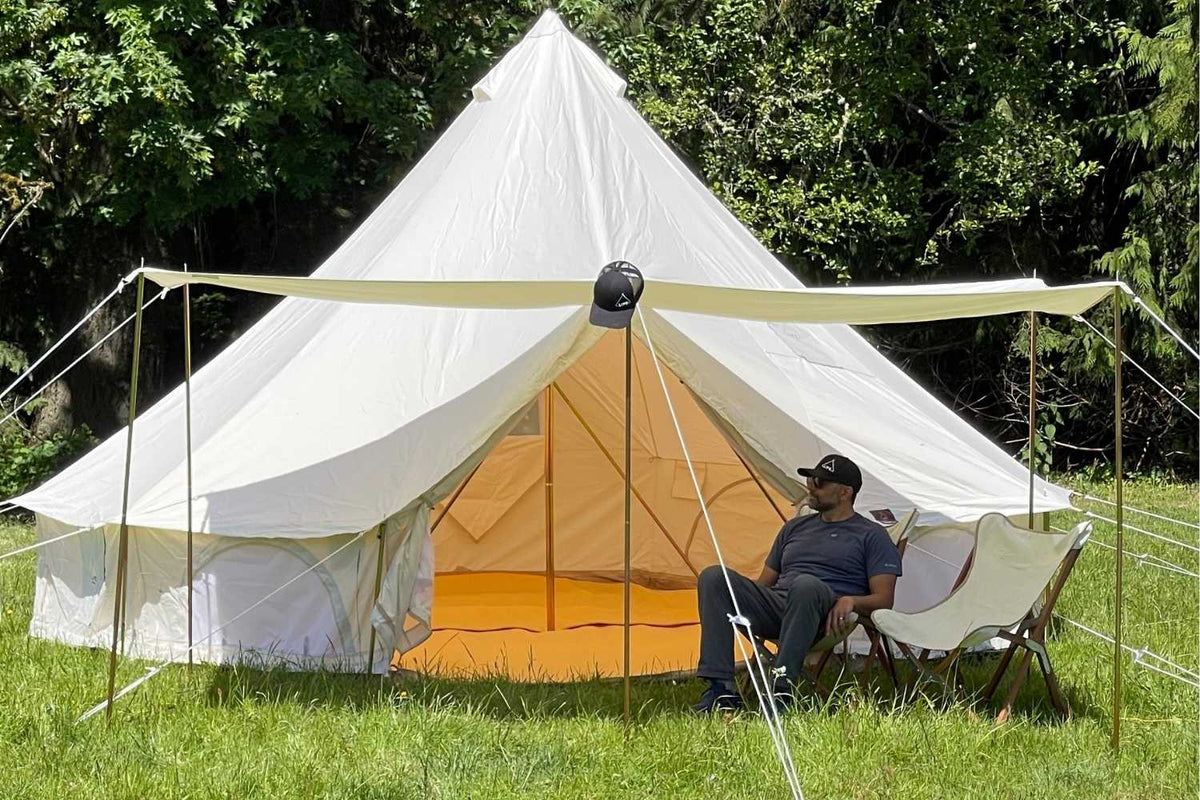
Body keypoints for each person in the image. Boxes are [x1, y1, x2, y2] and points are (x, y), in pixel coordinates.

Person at [692, 454, 902, 713]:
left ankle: (781, 687)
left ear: (845, 492)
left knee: (806, 585)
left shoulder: (871, 535)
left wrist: (852, 600)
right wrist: (747, 600)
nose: (810, 486)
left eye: (820, 482)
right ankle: (721, 690)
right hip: (781, 604)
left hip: (824, 614)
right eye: (810, 479)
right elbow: (764, 585)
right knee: (714, 577)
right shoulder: (795, 528)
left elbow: (884, 599)